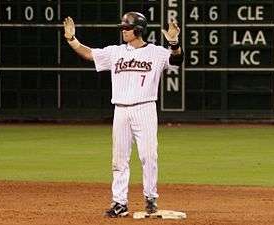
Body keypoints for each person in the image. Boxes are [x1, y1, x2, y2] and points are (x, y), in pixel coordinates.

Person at [63, 12, 184, 218]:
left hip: (145, 108)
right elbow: (89, 54)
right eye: (123, 28)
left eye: (126, 28)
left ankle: (150, 200)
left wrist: (173, 42)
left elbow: (177, 60)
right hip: (120, 109)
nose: (123, 31)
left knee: (149, 156)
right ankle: (119, 203)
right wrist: (72, 40)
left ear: (138, 30)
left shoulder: (155, 52)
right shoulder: (115, 52)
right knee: (119, 160)